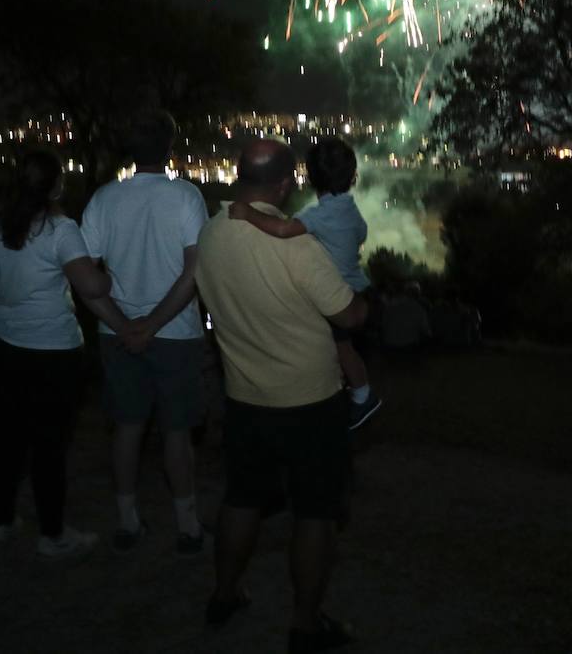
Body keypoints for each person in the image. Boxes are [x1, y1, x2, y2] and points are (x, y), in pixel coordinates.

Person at [196, 139, 367, 654]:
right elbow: (349, 316)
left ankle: (225, 594)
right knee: (315, 512)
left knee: (242, 498)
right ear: (286, 184)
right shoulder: (296, 245)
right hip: (310, 402)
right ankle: (305, 623)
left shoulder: (210, 234)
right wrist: (363, 296)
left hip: (245, 398)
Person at [0, 149, 122, 558]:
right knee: (50, 446)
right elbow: (90, 287)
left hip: (4, 348)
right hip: (54, 352)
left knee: (7, 440)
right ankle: (52, 534)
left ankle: (2, 521)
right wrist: (109, 278)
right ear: (55, 185)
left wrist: (3, 317)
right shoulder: (60, 229)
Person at [80, 109, 210, 555]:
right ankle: (188, 526)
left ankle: (127, 521)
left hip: (116, 336)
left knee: (128, 429)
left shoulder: (103, 199)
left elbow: (84, 275)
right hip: (177, 334)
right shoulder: (187, 198)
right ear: (169, 148)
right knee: (177, 434)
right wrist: (153, 325)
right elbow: (196, 272)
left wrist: (125, 326)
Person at [229, 137, 381, 429]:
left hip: (341, 293)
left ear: (310, 178)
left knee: (341, 349)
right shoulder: (350, 209)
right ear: (352, 177)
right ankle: (354, 392)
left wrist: (249, 213)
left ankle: (363, 396)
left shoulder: (318, 215)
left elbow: (285, 229)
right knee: (343, 349)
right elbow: (360, 234)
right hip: (359, 287)